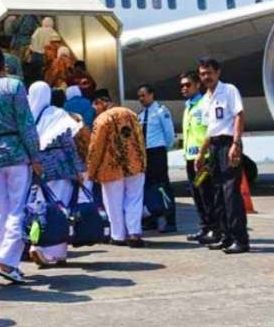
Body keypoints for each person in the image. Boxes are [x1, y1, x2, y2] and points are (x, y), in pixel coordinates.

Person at [0, 48, 41, 283]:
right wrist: (35, 156)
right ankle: (7, 262)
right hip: (15, 153)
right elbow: (26, 124)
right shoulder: (13, 86)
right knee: (17, 209)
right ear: (4, 66)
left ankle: (5, 260)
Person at [195, 58, 250, 254]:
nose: (206, 77)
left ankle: (240, 240)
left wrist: (236, 143)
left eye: (209, 72)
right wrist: (201, 153)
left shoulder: (229, 90)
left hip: (228, 143)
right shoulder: (205, 99)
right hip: (214, 146)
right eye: (202, 74)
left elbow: (239, 116)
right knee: (217, 194)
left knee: (230, 194)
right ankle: (225, 237)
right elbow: (210, 130)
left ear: (217, 72)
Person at [27, 81, 84, 267]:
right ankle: (54, 253)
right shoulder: (56, 114)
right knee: (60, 210)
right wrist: (78, 170)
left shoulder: (27, 116)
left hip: (38, 170)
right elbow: (68, 144)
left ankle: (38, 244)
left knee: (41, 209)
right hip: (60, 168)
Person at [87, 90, 147, 248]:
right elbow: (140, 140)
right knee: (134, 200)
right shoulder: (131, 114)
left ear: (101, 102)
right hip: (135, 165)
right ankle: (134, 233)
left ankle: (118, 235)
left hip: (111, 168)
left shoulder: (102, 119)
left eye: (95, 106)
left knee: (113, 203)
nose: (95, 109)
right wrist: (142, 163)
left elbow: (96, 148)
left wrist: (91, 170)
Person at [179, 72, 221, 244]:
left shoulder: (204, 104)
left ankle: (215, 229)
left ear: (198, 85)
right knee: (197, 195)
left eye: (188, 85)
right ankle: (205, 228)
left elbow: (210, 132)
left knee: (207, 194)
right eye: (182, 86)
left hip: (203, 159)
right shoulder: (189, 106)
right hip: (191, 159)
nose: (184, 88)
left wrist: (202, 154)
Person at [137, 84, 177, 233]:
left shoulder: (161, 111)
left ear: (151, 95)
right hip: (145, 153)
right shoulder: (140, 115)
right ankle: (152, 218)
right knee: (147, 186)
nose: (141, 99)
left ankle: (170, 220)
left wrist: (162, 148)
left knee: (162, 186)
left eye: (143, 95)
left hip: (157, 152)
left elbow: (169, 134)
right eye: (139, 96)